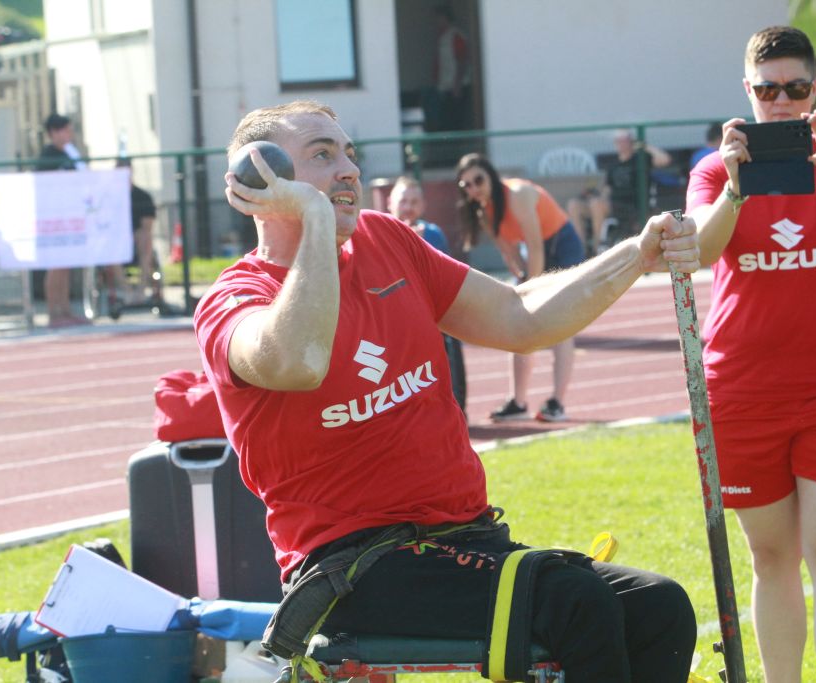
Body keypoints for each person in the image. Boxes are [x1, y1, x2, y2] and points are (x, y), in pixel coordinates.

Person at [194, 100, 699, 682]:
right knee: (577, 603)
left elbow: (520, 316)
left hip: (466, 538)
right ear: (263, 179)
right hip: (356, 567)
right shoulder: (234, 300)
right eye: (321, 155)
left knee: (659, 607)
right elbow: (300, 360)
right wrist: (310, 215)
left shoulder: (387, 241)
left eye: (349, 154)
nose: (349, 170)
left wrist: (636, 256)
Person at [686, 26, 816, 683]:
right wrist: (736, 185)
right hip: (743, 390)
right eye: (767, 90)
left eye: (795, 89)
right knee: (770, 557)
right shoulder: (716, 168)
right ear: (747, 93)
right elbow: (698, 250)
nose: (781, 103)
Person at [455, 154, 585, 423]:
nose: (474, 188)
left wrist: (531, 289)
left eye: (478, 180)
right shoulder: (484, 213)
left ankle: (557, 403)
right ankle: (518, 401)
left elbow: (536, 246)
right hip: (536, 255)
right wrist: (521, 285)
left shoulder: (518, 194)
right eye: (466, 185)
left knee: (561, 325)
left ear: (490, 175)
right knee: (519, 323)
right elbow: (511, 254)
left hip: (561, 246)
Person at [387, 176, 466, 416]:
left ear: (422, 206)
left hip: (429, 317)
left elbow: (442, 278)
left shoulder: (433, 234)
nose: (408, 207)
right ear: (390, 203)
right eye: (403, 201)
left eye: (414, 201)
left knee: (450, 352)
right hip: (391, 322)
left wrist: (417, 244)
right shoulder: (377, 233)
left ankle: (457, 410)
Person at [567, 129, 672, 256]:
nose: (620, 144)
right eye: (618, 141)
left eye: (624, 140)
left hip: (630, 205)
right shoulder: (613, 165)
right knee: (574, 205)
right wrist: (593, 195)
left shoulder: (641, 159)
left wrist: (644, 146)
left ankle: (595, 249)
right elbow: (606, 190)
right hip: (610, 204)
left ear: (631, 142)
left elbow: (665, 160)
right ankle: (581, 250)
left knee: (596, 204)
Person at [37, 113, 89, 328]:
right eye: (66, 130)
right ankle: (53, 313)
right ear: (54, 133)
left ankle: (65, 310)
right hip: (54, 218)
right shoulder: (48, 156)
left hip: (70, 216)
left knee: (65, 265)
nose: (70, 134)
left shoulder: (69, 153)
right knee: (56, 266)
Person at [103, 158, 160, 310]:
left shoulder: (143, 196)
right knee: (113, 243)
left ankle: (141, 288)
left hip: (137, 243)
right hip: (116, 241)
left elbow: (147, 227)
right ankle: (126, 291)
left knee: (145, 237)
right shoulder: (107, 197)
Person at [433, 5, 472, 131]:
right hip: (445, 88)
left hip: (455, 88)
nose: (435, 21)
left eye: (437, 18)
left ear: (444, 18)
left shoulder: (456, 36)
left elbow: (462, 60)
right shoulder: (442, 36)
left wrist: (457, 85)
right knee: (446, 123)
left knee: (455, 123)